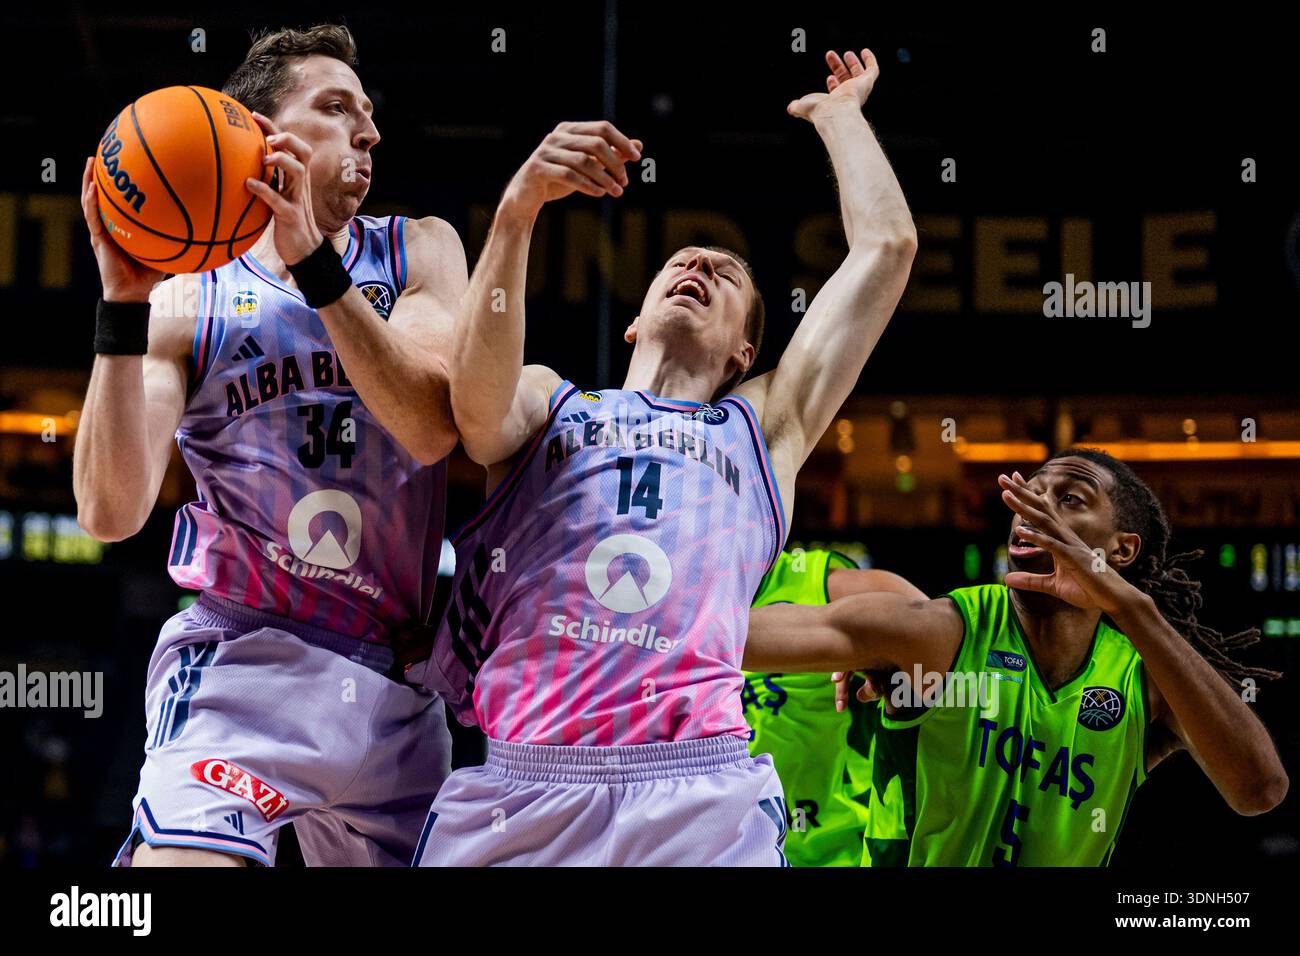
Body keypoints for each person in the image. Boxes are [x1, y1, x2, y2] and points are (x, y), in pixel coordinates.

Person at [412, 48, 917, 865]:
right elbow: (473, 411)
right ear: (634, 324)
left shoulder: (764, 428)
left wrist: (841, 118)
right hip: (524, 783)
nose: (699, 264)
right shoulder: (550, 400)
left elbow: (886, 249)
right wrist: (519, 209)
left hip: (698, 792)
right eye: (681, 263)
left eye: (725, 274)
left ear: (743, 351)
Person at [75, 24, 468, 866]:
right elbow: (110, 511)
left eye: (370, 115)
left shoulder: (420, 249)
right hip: (246, 664)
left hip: (398, 688)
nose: (369, 131)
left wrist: (316, 267)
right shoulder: (190, 300)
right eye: (337, 108)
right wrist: (122, 304)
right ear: (260, 135)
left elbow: (431, 425)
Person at [746, 450, 1289, 865]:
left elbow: (1259, 790)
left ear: (1121, 550)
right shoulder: (941, 633)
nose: (1032, 509)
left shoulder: (1140, 677)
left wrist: (1135, 611)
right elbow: (730, 639)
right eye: (1029, 494)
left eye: (1069, 498)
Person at [739, 547, 924, 866]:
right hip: (732, 847)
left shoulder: (833, 587)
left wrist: (897, 673)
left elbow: (965, 673)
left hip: (841, 849)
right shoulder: (666, 602)